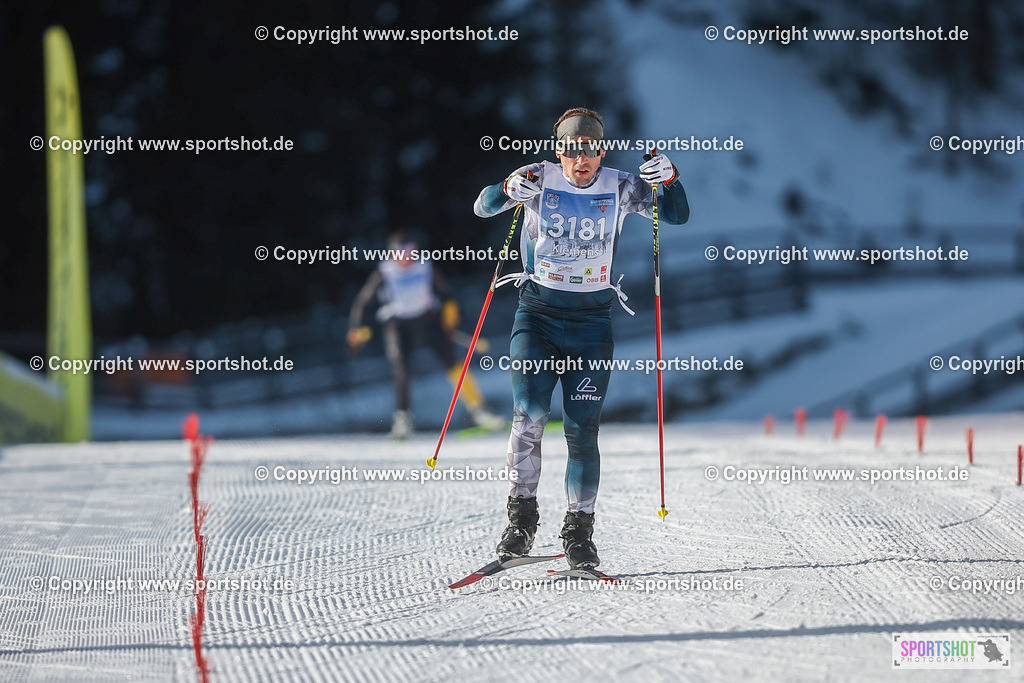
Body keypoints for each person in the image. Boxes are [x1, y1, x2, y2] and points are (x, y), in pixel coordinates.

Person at [473, 107, 689, 568]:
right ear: (560, 151)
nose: (581, 160)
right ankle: (520, 520)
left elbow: (677, 215)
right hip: (538, 317)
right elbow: (484, 206)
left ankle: (579, 530)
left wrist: (670, 179)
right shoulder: (538, 177)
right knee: (528, 417)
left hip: (592, 327)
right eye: (572, 150)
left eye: (589, 149)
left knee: (581, 430)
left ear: (601, 150)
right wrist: (507, 189)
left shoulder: (622, 185)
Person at [347, 231, 504, 439]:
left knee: (453, 364)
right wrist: (355, 329)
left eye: (412, 251)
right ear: (393, 254)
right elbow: (363, 302)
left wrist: (450, 317)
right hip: (398, 324)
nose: (409, 257)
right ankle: (402, 420)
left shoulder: (424, 266)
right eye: (403, 252)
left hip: (428, 320)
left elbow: (446, 295)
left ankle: (480, 411)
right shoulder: (386, 272)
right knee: (401, 368)